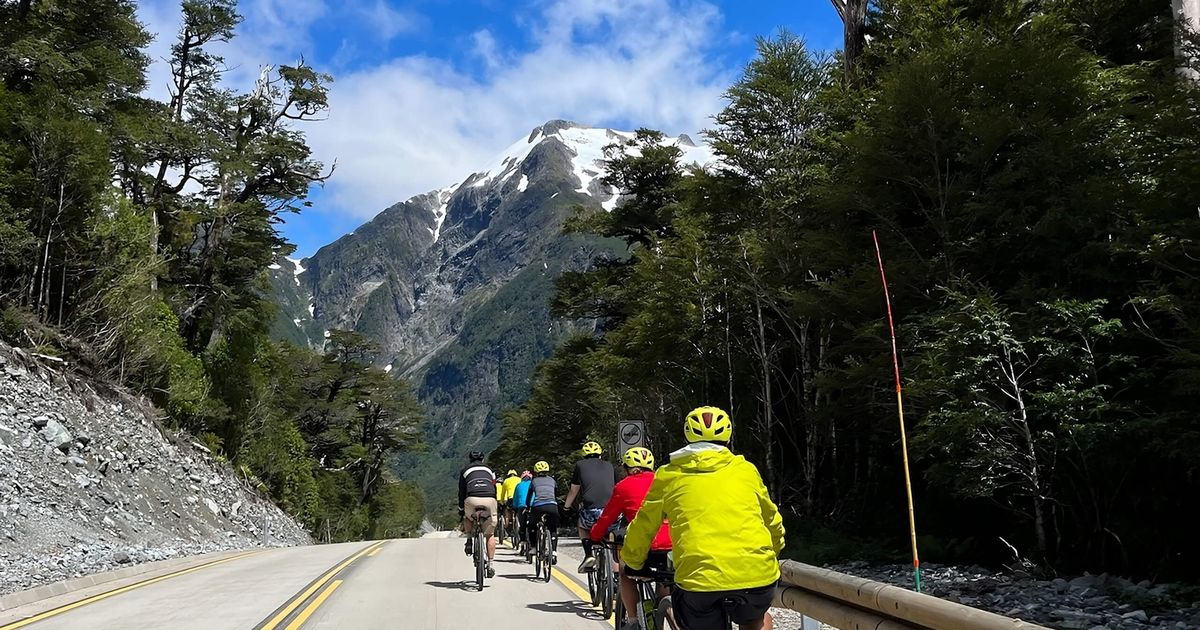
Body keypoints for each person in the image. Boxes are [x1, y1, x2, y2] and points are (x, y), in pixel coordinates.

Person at [622, 407, 785, 630]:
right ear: (727, 435)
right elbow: (772, 520)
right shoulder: (746, 470)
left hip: (699, 583)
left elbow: (644, 525)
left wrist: (633, 560)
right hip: (756, 576)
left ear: (688, 435)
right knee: (757, 618)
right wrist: (772, 552)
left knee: (695, 611)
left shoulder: (669, 474)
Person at [589, 447, 672, 630]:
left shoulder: (623, 486)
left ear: (627, 469)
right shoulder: (668, 480)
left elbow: (607, 518)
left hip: (645, 544)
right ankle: (664, 605)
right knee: (666, 575)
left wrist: (594, 536)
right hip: (674, 544)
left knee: (625, 572)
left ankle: (633, 620)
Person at [563, 441, 615, 572]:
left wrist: (566, 508)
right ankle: (614, 571)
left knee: (582, 525)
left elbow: (574, 490)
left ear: (584, 455)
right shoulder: (609, 465)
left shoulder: (580, 465)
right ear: (600, 454)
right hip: (611, 510)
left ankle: (588, 555)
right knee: (609, 535)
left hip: (591, 509)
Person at [458, 450, 498, 578]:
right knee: (490, 534)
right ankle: (490, 565)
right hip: (490, 498)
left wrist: (461, 508)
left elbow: (462, 491)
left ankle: (469, 539)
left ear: (470, 459)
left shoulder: (465, 470)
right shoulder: (489, 470)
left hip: (472, 498)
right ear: (483, 459)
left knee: (468, 516)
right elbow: (495, 487)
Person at [527, 460, 559, 565]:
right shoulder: (552, 480)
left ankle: (533, 547)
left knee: (531, 525)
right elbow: (556, 492)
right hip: (552, 505)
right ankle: (553, 552)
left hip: (538, 506)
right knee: (553, 528)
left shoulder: (534, 481)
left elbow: (529, 496)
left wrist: (528, 507)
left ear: (536, 471)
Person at [511, 470, 534, 553]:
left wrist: (514, 507)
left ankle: (523, 543)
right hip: (533, 506)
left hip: (522, 507)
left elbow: (515, 499)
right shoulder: (533, 484)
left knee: (522, 525)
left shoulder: (519, 485)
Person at [500, 469, 521, 537]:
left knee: (508, 511)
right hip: (519, 499)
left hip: (511, 499)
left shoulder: (506, 481)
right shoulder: (519, 479)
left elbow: (503, 493)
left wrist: (502, 501)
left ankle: (508, 523)